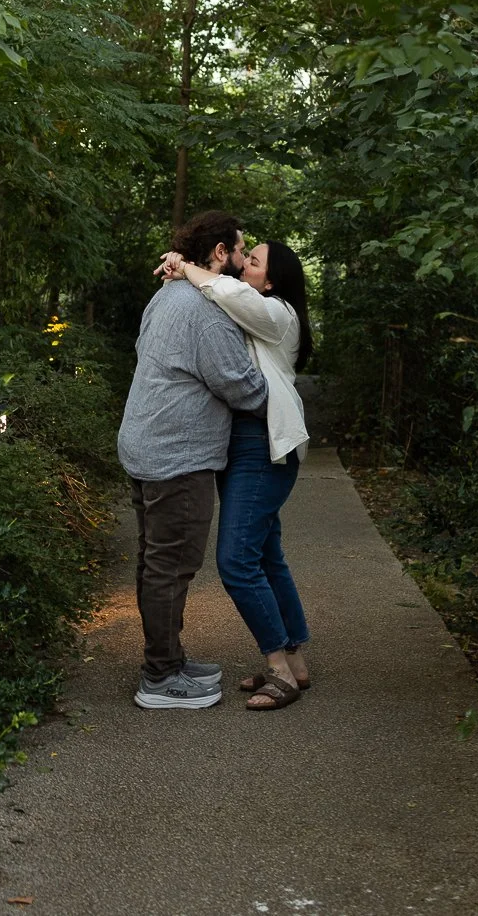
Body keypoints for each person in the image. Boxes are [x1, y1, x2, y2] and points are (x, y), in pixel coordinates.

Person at [117, 211, 268, 711]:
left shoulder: (166, 294)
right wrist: (278, 394)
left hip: (146, 445)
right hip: (177, 457)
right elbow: (243, 388)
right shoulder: (206, 311)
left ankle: (169, 660)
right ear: (220, 252)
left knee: (155, 561)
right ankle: (160, 678)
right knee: (171, 567)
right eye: (241, 250)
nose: (245, 259)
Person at [159, 237, 314, 710]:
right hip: (241, 443)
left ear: (272, 281)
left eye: (255, 261)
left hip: (264, 446)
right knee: (266, 555)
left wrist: (187, 266)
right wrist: (181, 271)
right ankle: (296, 660)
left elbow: (226, 291)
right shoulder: (252, 309)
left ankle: (279, 670)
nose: (245, 264)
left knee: (236, 562)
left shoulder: (279, 314)